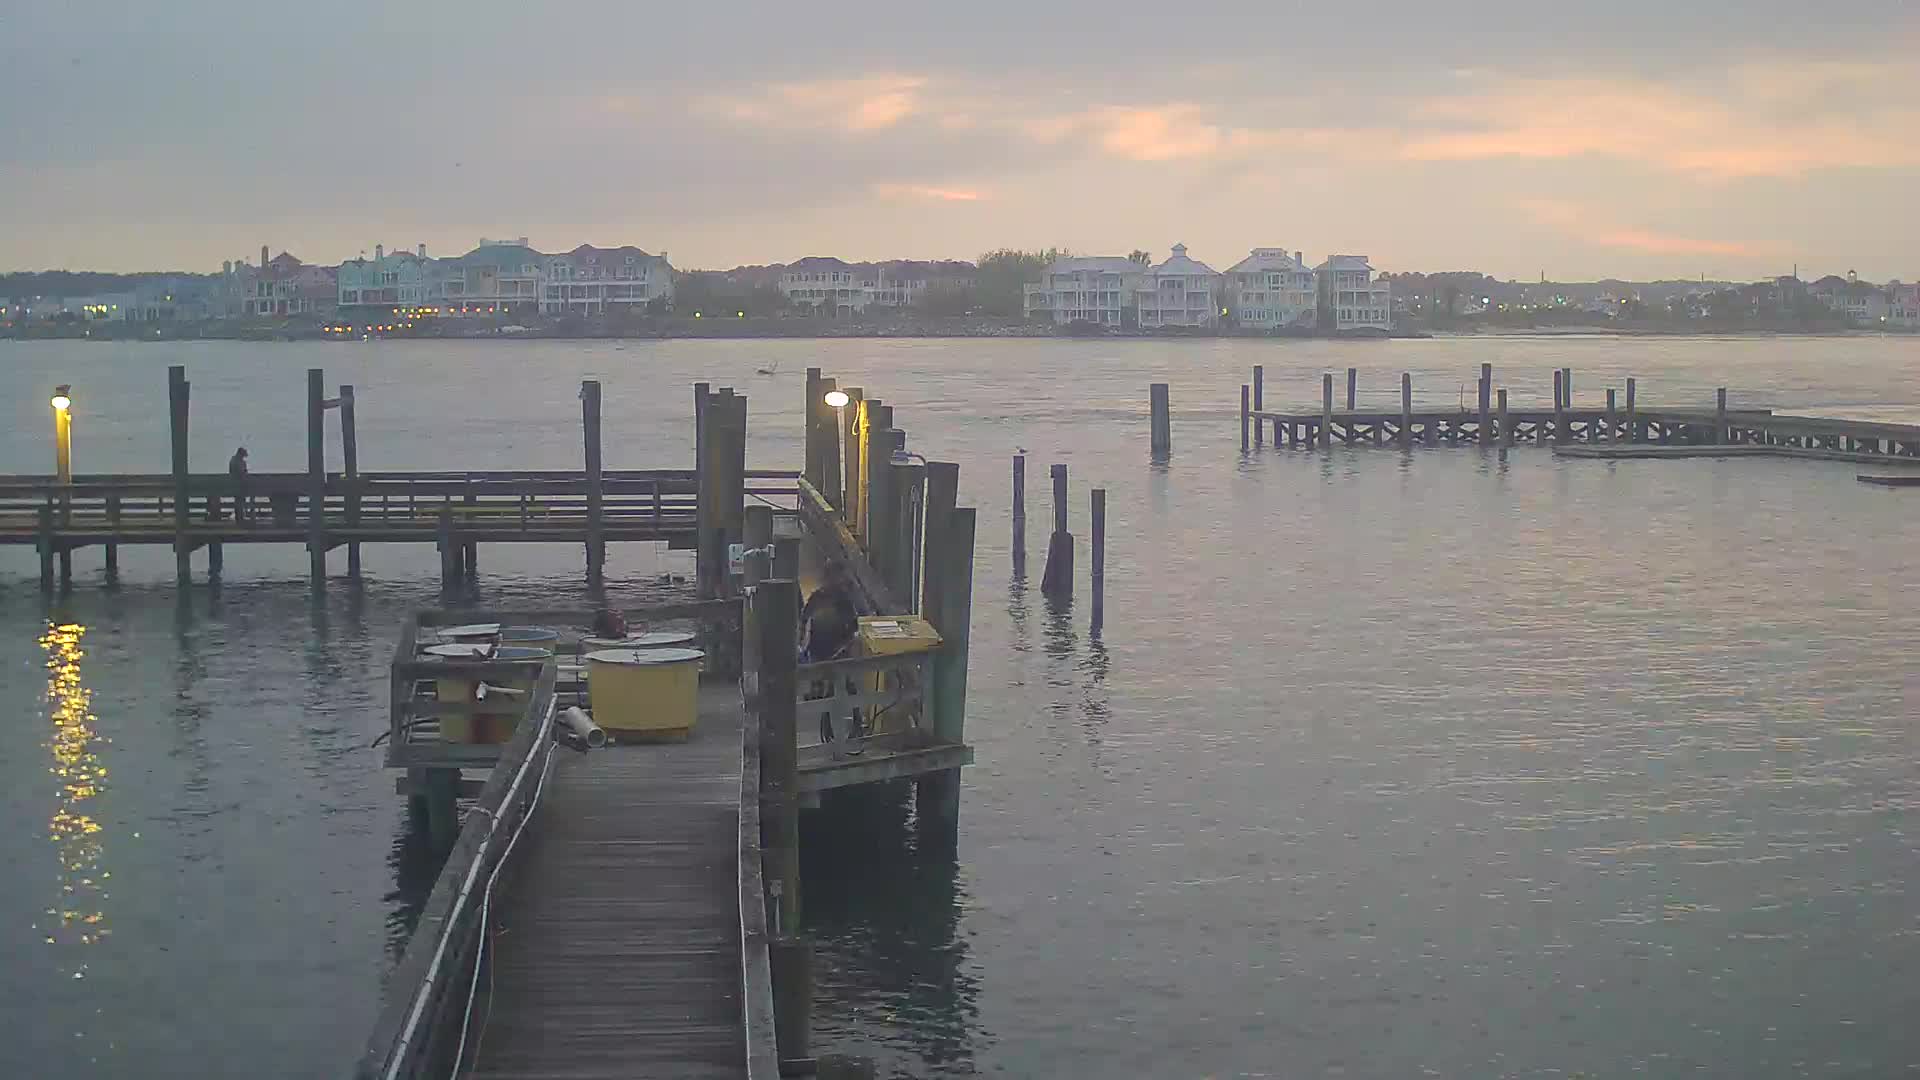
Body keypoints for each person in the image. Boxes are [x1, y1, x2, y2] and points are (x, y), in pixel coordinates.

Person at [799, 564, 861, 749]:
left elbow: (853, 626)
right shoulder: (819, 598)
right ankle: (833, 731)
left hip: (838, 650)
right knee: (828, 692)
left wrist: (847, 644)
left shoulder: (843, 599)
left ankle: (853, 726)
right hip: (820, 650)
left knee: (846, 689)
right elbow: (804, 622)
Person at [227, 447, 251, 522]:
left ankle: (240, 516)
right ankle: (240, 517)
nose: (244, 457)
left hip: (238, 484)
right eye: (243, 455)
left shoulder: (234, 460)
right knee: (239, 501)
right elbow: (242, 472)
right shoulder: (237, 461)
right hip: (238, 484)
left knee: (239, 501)